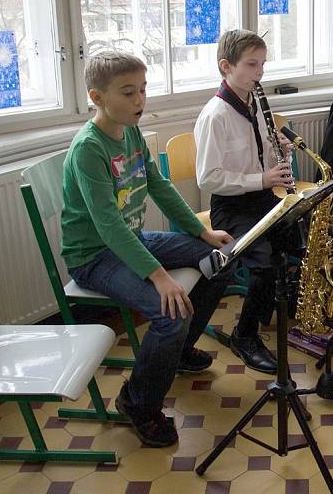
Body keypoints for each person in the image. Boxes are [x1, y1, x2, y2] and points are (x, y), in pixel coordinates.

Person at [61, 51, 234, 448]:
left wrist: (200, 232)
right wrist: (158, 277)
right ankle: (138, 403)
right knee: (169, 313)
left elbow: (159, 186)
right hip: (94, 256)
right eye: (128, 92)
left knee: (221, 260)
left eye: (142, 89)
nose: (140, 100)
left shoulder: (132, 132)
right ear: (97, 96)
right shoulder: (89, 148)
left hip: (131, 241)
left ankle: (179, 351)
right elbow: (107, 226)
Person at [195, 29, 296, 375]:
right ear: (226, 66)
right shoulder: (215, 115)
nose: (260, 72)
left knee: (297, 239)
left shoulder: (254, 104)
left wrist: (280, 158)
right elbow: (208, 178)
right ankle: (245, 335)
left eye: (263, 64)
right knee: (264, 262)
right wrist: (262, 179)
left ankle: (284, 305)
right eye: (252, 64)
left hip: (263, 198)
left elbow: (262, 160)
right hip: (231, 206)